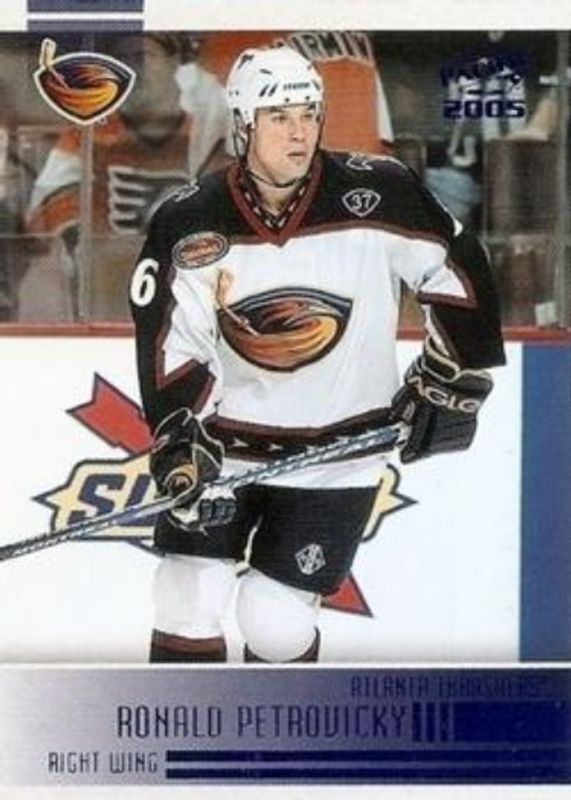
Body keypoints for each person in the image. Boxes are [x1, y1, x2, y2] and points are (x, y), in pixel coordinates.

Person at [130, 46, 505, 664]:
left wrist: (455, 372)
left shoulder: (379, 193)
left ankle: (280, 729)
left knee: (273, 621)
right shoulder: (190, 220)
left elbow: (456, 266)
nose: (299, 131)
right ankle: (183, 724)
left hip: (339, 454)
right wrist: (180, 438)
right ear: (243, 125)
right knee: (185, 594)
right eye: (279, 117)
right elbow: (174, 339)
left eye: (308, 113)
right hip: (227, 448)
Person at [22, 32, 227, 321]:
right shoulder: (89, 130)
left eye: (144, 57)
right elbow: (48, 201)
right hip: (108, 290)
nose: (135, 68)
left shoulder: (206, 131)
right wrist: (83, 237)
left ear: (173, 63)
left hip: (186, 290)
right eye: (125, 59)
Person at [197, 30, 394, 155]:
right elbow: (384, 143)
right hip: (359, 189)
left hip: (284, 197)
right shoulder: (353, 33)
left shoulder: (227, 42)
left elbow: (199, 154)